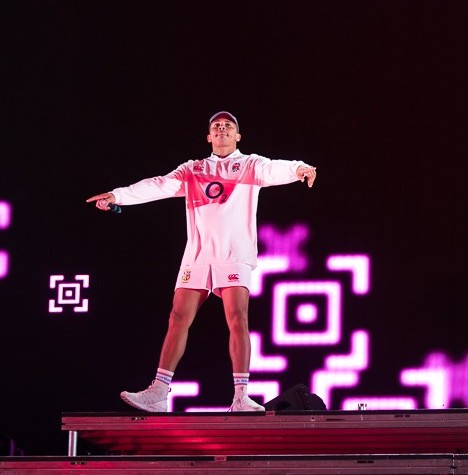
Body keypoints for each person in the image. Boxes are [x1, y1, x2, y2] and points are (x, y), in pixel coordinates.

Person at [86, 111, 317, 412]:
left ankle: (240, 396)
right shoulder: (192, 169)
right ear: (209, 136)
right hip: (198, 255)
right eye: (216, 126)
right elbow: (158, 185)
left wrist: (300, 168)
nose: (222, 129)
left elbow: (276, 168)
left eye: (228, 126)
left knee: (238, 320)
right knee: (178, 318)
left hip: (233, 254)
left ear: (238, 136)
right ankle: (158, 392)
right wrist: (118, 195)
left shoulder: (250, 165)